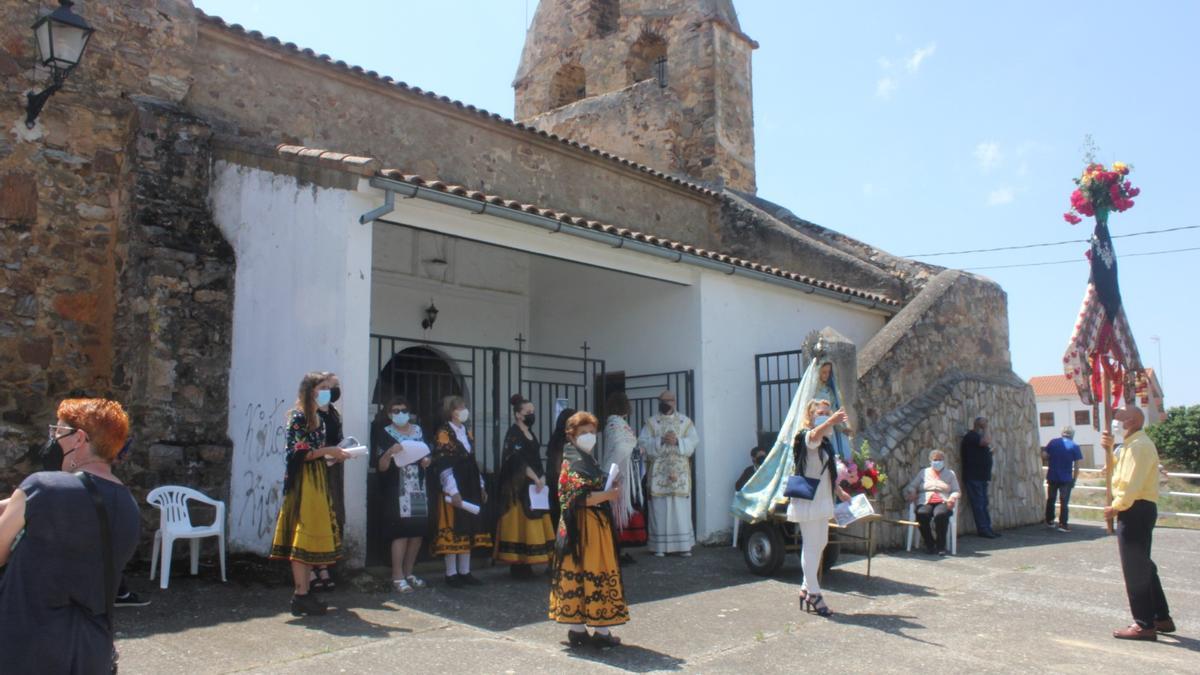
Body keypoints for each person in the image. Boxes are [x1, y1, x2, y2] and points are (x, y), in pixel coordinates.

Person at [0, 398, 141, 672]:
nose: (53, 440)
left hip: (26, 647)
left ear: (79, 439)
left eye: (57, 432)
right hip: (91, 652)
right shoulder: (129, 506)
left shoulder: (43, 487)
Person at [269, 372, 350, 616]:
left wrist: (333, 454)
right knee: (301, 538)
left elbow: (315, 451)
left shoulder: (320, 418)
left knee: (310, 537)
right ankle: (301, 593)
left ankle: (303, 593)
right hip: (304, 481)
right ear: (311, 390)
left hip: (317, 477)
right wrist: (328, 450)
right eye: (323, 387)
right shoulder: (299, 416)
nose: (327, 391)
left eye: (328, 387)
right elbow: (298, 451)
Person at [548, 411, 629, 648]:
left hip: (591, 527)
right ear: (571, 436)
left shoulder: (586, 458)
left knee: (585, 572)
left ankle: (579, 629)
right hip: (583, 528)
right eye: (583, 433)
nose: (589, 436)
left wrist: (609, 484)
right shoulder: (573, 459)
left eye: (592, 432)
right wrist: (608, 494)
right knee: (593, 570)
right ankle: (598, 631)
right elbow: (578, 497)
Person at [1102, 406, 1174, 640]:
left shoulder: (1139, 446)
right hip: (1139, 508)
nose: (1116, 419)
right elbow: (1117, 473)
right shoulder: (1132, 445)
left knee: (1134, 568)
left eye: (1119, 416)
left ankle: (1144, 623)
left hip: (1135, 508)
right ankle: (1160, 616)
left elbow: (1131, 483)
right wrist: (1109, 449)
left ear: (1131, 421)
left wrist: (1117, 506)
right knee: (1143, 565)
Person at [787, 399, 852, 617]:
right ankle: (814, 593)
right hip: (809, 499)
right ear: (812, 416)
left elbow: (827, 471)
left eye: (827, 412)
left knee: (821, 542)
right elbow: (812, 437)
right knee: (811, 545)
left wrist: (839, 490)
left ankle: (806, 587)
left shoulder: (826, 442)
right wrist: (829, 421)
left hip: (823, 498)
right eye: (820, 413)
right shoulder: (807, 436)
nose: (824, 415)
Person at [428, 395, 491, 587]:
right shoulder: (443, 432)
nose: (463, 410)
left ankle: (465, 571)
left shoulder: (466, 431)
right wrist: (452, 490)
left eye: (464, 406)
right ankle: (451, 573)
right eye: (459, 407)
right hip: (455, 482)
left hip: (470, 481)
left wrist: (481, 485)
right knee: (453, 527)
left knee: (467, 527)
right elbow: (444, 464)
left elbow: (472, 460)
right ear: (451, 411)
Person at [373, 396, 431, 593]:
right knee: (400, 532)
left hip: (418, 487)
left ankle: (409, 572)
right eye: (395, 411)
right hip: (398, 488)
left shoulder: (418, 431)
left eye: (403, 410)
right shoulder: (385, 433)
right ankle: (397, 575)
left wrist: (426, 461)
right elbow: (381, 466)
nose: (400, 414)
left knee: (416, 532)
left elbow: (426, 454)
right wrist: (390, 452)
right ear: (389, 414)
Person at [494, 394, 555, 578]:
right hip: (518, 487)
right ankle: (519, 564)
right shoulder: (513, 433)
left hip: (535, 484)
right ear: (518, 415)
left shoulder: (531, 433)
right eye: (528, 412)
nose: (531, 414)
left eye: (533, 411)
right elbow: (516, 460)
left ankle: (531, 560)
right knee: (520, 524)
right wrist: (535, 477)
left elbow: (535, 458)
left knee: (536, 520)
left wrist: (542, 476)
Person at [639, 390, 699, 557]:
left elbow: (694, 442)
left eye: (670, 400)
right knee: (660, 509)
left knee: (681, 509)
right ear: (659, 402)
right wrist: (660, 440)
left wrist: (679, 441)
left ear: (674, 401)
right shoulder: (652, 422)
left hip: (679, 473)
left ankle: (683, 546)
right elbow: (642, 444)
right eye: (663, 400)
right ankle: (660, 547)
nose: (667, 403)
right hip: (659, 473)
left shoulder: (685, 421)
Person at [603, 392, 645, 560]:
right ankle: (616, 551)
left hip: (624, 471)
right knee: (617, 511)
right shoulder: (615, 425)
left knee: (619, 512)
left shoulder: (618, 424)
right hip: (620, 473)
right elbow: (621, 448)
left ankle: (618, 550)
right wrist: (636, 451)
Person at [313, 371, 344, 592]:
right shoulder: (310, 414)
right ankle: (312, 567)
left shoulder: (333, 414)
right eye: (328, 386)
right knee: (315, 518)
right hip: (315, 469)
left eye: (334, 387)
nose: (332, 391)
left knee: (330, 518)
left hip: (333, 469)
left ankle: (324, 566)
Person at [903, 449, 962, 556]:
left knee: (941, 515)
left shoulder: (950, 474)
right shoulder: (923, 472)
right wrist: (913, 492)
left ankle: (941, 545)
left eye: (940, 459)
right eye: (935, 459)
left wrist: (952, 498)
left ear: (944, 461)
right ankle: (930, 543)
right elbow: (912, 485)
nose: (937, 462)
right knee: (922, 514)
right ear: (930, 461)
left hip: (943, 500)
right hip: (925, 500)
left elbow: (956, 490)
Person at [960, 416, 999, 538]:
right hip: (974, 476)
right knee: (978, 503)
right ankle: (983, 529)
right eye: (984, 424)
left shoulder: (977, 437)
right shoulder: (971, 436)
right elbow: (986, 441)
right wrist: (986, 428)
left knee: (984, 503)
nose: (986, 426)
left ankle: (987, 527)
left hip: (981, 476)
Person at [1042, 426, 1083, 532]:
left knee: (1051, 499)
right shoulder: (1074, 446)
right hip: (1066, 478)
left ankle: (1049, 521)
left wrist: (1052, 459)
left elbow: (1044, 455)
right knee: (1064, 502)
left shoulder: (1053, 442)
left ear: (1062, 433)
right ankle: (1063, 524)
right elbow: (1077, 466)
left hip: (1052, 475)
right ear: (1072, 435)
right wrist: (1074, 479)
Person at [814, 362, 855, 460]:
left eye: (828, 372)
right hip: (816, 429)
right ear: (818, 372)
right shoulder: (812, 391)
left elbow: (833, 412)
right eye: (824, 372)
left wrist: (842, 428)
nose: (826, 375)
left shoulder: (829, 391)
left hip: (830, 430)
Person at [546, 407, 577, 528]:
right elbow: (558, 467)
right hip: (561, 484)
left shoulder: (556, 438)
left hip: (556, 483)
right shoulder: (562, 441)